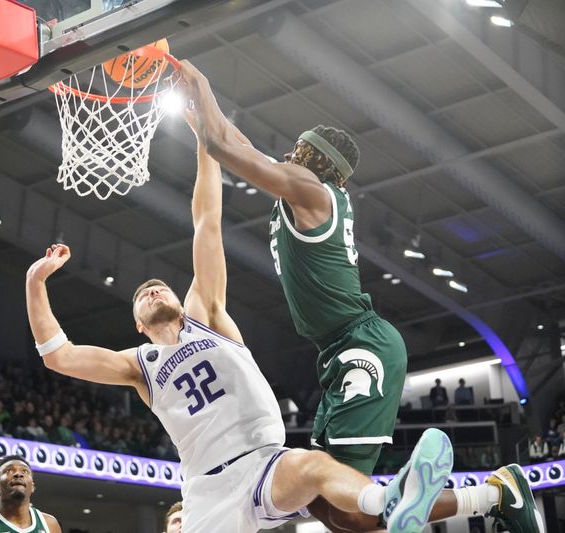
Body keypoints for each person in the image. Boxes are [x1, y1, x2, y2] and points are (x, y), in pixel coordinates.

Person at [173, 60, 543, 533]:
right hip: (339, 350)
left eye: (298, 148)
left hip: (359, 347)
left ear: (313, 159)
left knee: (348, 509)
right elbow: (235, 142)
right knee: (330, 508)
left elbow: (222, 145)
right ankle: (489, 495)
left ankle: (465, 493)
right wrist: (202, 113)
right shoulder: (304, 191)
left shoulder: (308, 190)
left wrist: (201, 84)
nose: (287, 152)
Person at [26, 131, 454, 533]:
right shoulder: (139, 365)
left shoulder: (205, 315)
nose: (152, 289)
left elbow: (206, 220)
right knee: (336, 508)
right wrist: (36, 281)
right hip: (206, 490)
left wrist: (204, 143)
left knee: (315, 466)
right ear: (139, 325)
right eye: (142, 295)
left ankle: (390, 500)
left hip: (265, 464)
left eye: (158, 286)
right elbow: (58, 356)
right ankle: (477, 497)